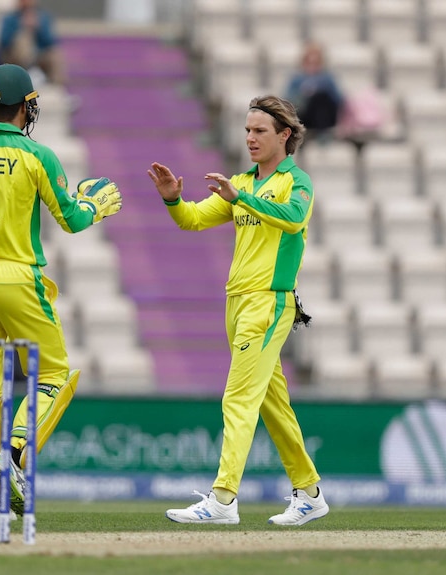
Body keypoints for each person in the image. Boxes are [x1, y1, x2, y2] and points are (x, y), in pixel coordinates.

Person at [0, 63, 122, 517]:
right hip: (18, 276)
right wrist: (95, 206)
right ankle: (11, 457)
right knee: (53, 373)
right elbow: (71, 220)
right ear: (25, 106)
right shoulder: (37, 155)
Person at [147, 94, 328, 526]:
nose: (250, 138)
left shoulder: (295, 181)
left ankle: (223, 498)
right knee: (271, 404)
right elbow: (192, 219)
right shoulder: (241, 183)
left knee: (238, 397)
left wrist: (240, 199)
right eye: (247, 130)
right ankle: (310, 493)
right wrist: (173, 199)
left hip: (268, 302)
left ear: (285, 135)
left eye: (259, 131)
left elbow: (293, 217)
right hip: (236, 302)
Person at [284, 43, 344, 144]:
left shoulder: (328, 79)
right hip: (305, 116)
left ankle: (323, 133)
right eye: (309, 63)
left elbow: (339, 101)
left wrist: (321, 90)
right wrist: (304, 95)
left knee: (321, 97)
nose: (312, 66)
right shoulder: (297, 80)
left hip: (326, 118)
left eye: (316, 63)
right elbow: (288, 102)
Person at [0, 0, 66, 86]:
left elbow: (50, 42)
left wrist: (38, 28)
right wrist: (21, 26)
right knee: (24, 40)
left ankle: (58, 86)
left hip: (39, 55)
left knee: (54, 54)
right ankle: (26, 78)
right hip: (15, 57)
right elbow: (4, 42)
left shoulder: (43, 17)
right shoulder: (10, 18)